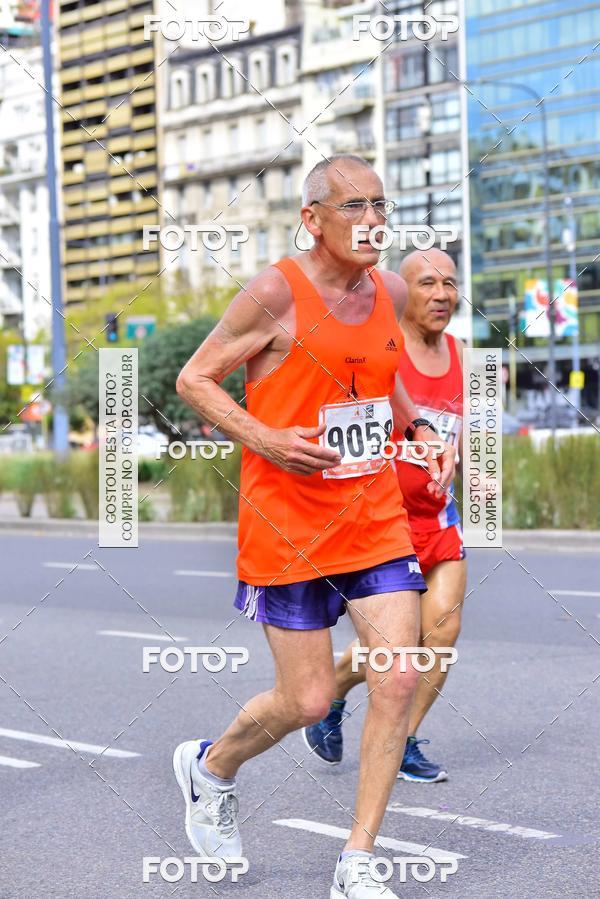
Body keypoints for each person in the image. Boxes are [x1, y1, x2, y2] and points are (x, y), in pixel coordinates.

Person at [173, 155, 455, 899]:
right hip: (288, 524)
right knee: (307, 701)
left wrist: (417, 427)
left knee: (397, 674)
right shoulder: (274, 292)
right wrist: (263, 437)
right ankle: (211, 767)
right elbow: (194, 378)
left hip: (374, 517)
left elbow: (382, 376)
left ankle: (357, 861)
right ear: (312, 219)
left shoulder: (390, 289)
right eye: (353, 206)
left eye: (380, 206)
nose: (372, 221)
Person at [304, 249, 466, 784]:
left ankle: (404, 743)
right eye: (427, 283)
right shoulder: (379, 351)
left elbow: (473, 433)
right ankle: (331, 689)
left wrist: (481, 474)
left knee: (442, 632)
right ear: (401, 292)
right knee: (400, 644)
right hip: (384, 520)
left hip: (439, 516)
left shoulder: (465, 356)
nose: (441, 294)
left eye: (449, 283)